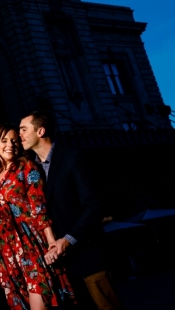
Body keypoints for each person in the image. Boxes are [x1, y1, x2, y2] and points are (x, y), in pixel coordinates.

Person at [19, 110, 122, 310]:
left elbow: (94, 206)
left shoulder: (73, 157)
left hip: (89, 258)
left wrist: (68, 240)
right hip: (62, 268)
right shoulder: (32, 171)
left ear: (40, 131)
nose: (20, 135)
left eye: (24, 129)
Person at [0, 123, 76, 310]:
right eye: (4, 140)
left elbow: (39, 208)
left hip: (30, 247)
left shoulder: (27, 168)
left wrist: (51, 244)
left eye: (15, 141)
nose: (11, 145)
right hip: (6, 253)